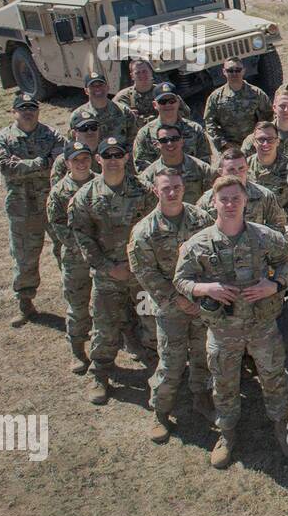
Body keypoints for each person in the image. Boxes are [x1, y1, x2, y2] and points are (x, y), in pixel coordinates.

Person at [173, 176, 288, 469]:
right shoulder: (198, 244)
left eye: (236, 198)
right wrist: (207, 289)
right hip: (222, 330)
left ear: (245, 201)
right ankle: (227, 433)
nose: (230, 204)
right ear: (214, 203)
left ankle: (283, 426)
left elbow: (286, 263)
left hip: (262, 327)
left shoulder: (266, 237)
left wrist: (275, 285)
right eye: (224, 199)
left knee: (274, 377)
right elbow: (181, 279)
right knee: (224, 382)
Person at [127, 167, 216, 443]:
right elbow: (144, 272)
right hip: (170, 308)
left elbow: (215, 255)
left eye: (177, 186)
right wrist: (175, 298)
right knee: (171, 362)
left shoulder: (201, 219)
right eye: (166, 188)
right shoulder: (145, 231)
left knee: (203, 355)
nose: (172, 192)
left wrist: (201, 295)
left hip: (201, 303)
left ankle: (202, 398)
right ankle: (161, 411)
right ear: (156, 190)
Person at [68, 136, 157, 405]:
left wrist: (136, 266)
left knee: (150, 323)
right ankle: (101, 374)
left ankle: (156, 372)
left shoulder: (143, 191)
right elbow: (82, 237)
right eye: (108, 156)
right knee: (105, 328)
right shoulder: (85, 196)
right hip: (107, 277)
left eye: (118, 155)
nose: (114, 160)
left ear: (127, 158)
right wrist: (109, 267)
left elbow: (156, 229)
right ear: (99, 159)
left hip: (140, 276)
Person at [0, 91, 64, 325]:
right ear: (15, 111)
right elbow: (5, 168)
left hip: (52, 204)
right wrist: (42, 163)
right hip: (21, 208)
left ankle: (75, 298)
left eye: (32, 107)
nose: (28, 112)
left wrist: (25, 165)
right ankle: (25, 303)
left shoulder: (51, 134)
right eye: (23, 108)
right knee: (25, 257)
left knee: (66, 252)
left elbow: (60, 161)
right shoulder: (2, 139)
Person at [46, 141, 96, 372]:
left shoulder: (102, 182)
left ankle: (124, 343)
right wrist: (88, 247)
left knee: (111, 304)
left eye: (85, 158)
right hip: (76, 259)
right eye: (76, 160)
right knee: (78, 306)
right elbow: (59, 227)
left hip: (104, 256)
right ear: (66, 163)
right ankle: (78, 351)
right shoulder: (59, 192)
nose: (82, 163)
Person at [196, 147, 288, 234]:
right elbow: (198, 231)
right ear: (220, 172)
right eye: (231, 170)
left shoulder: (264, 195)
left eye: (241, 168)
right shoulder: (207, 200)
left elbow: (278, 227)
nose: (237, 173)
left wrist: (260, 240)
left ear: (247, 168)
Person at [133, 81, 211, 171]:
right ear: (155, 105)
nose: (168, 105)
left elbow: (205, 161)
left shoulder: (195, 129)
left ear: (178, 102)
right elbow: (142, 166)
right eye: (163, 102)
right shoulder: (145, 133)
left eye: (171, 101)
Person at [203, 59, 273, 155]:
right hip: (228, 149)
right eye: (230, 70)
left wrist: (261, 138)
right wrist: (224, 143)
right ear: (224, 72)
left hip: (254, 147)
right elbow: (210, 123)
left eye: (238, 70)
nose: (234, 73)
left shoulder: (257, 93)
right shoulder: (215, 97)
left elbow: (269, 116)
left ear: (243, 71)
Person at [247, 122, 288, 224]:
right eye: (261, 139)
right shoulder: (244, 166)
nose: (265, 144)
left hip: (281, 225)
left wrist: (274, 220)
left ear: (278, 141)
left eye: (270, 139)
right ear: (254, 142)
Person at [139, 122, 217, 204]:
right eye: (164, 140)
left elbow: (217, 192)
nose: (170, 143)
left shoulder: (201, 168)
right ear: (157, 144)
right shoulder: (148, 175)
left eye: (174, 139)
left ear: (182, 141)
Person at [72, 71, 137, 150]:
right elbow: (73, 144)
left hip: (117, 158)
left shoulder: (124, 111)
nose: (97, 88)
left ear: (107, 87)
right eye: (92, 86)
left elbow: (133, 140)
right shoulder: (77, 115)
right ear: (86, 91)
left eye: (101, 85)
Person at [115, 58, 190, 124]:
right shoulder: (123, 97)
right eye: (137, 72)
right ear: (132, 76)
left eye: (145, 71)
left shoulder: (164, 92)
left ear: (151, 72)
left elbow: (186, 113)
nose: (142, 75)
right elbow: (114, 121)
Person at [49, 110, 103, 187]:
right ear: (74, 133)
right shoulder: (63, 161)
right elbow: (57, 192)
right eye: (84, 128)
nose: (90, 132)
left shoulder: (108, 155)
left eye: (93, 127)